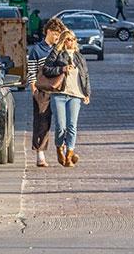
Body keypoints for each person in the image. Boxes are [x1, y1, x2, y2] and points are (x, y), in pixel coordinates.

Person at [40, 30, 92, 167]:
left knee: (72, 126)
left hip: (75, 95)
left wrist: (87, 93)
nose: (72, 42)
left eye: (74, 39)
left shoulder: (79, 57)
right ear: (63, 41)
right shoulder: (56, 53)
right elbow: (46, 70)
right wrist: (62, 69)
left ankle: (69, 154)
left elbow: (85, 76)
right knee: (60, 126)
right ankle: (59, 148)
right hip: (59, 94)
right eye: (69, 39)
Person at [27, 18, 67, 167]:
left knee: (62, 121)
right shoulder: (37, 50)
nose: (57, 37)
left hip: (59, 89)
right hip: (42, 89)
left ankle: (63, 148)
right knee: (42, 121)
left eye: (59, 35)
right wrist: (33, 88)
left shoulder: (60, 49)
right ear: (48, 32)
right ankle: (40, 153)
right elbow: (31, 70)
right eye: (55, 34)